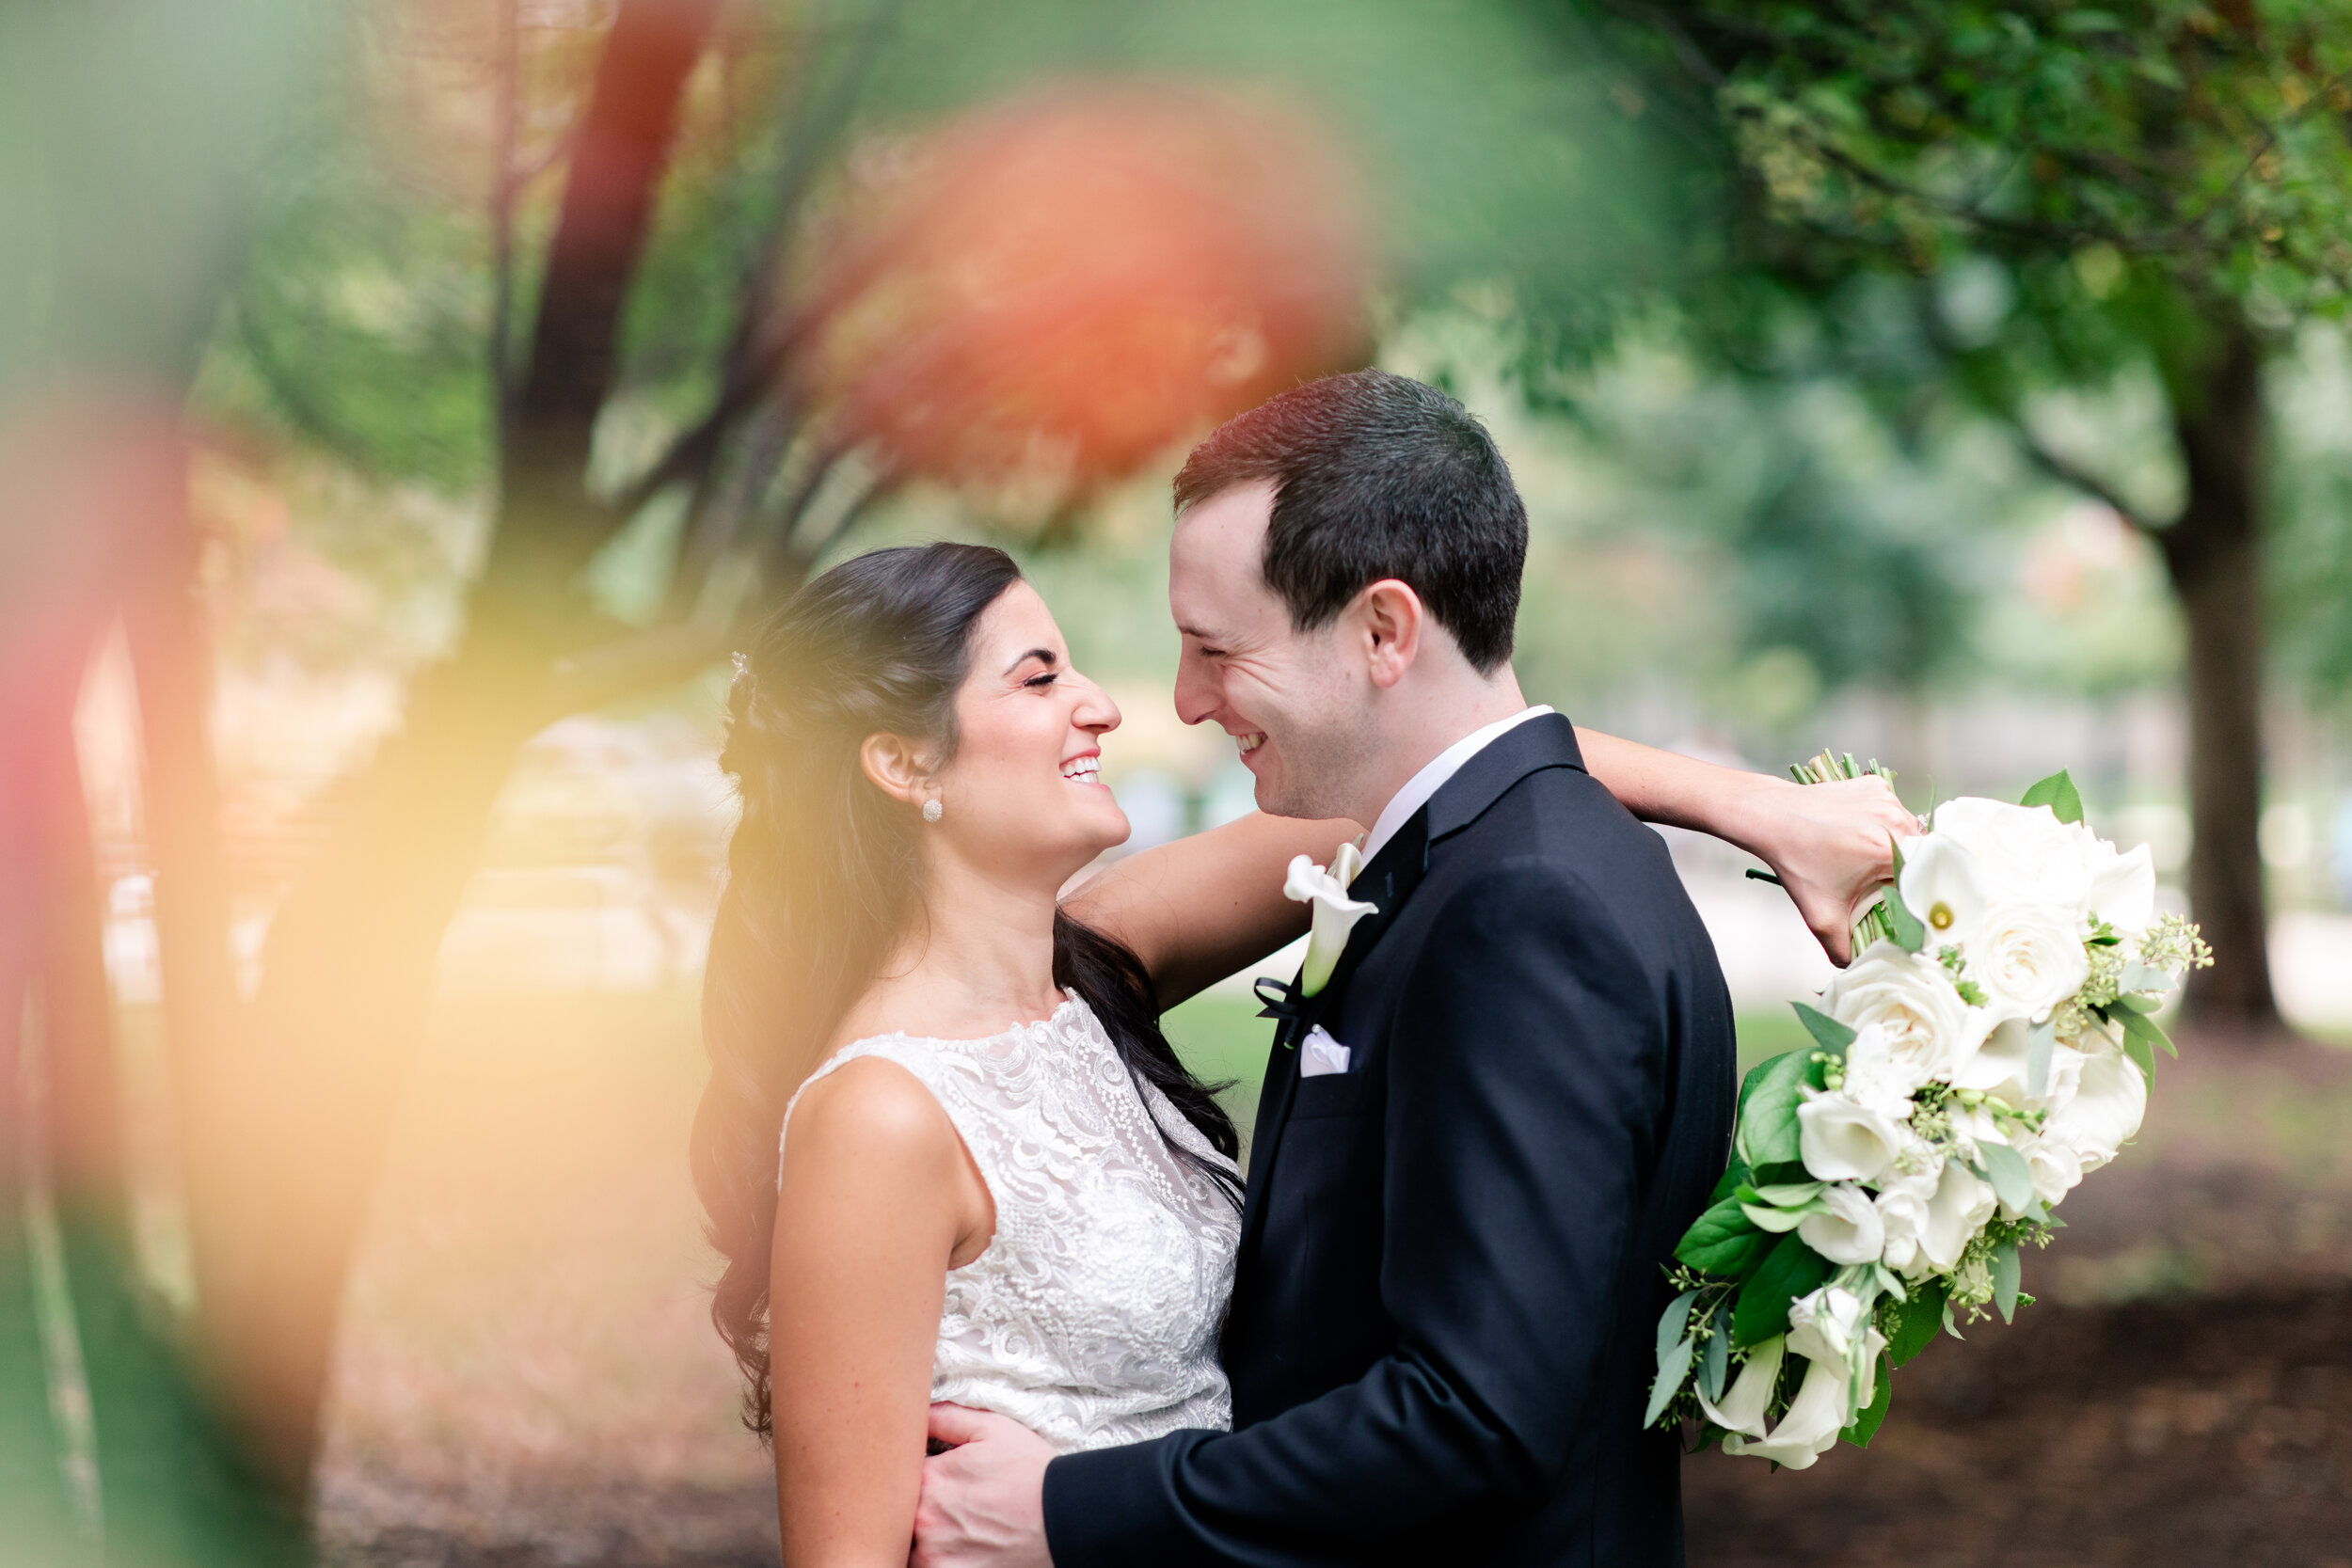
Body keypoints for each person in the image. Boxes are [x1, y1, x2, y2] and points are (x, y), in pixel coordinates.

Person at [696, 380, 1914, 1568]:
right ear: (905, 766)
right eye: (1038, 678)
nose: (1123, 709)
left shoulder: (1097, 970)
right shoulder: (879, 1111)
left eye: (1081, 664)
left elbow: (1460, 753)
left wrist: (1756, 810)